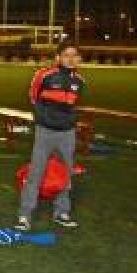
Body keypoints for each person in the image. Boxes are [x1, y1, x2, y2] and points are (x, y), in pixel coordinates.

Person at [15, 43, 86, 232]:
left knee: (66, 172)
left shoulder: (79, 81)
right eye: (66, 55)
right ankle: (25, 215)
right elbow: (33, 97)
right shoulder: (44, 75)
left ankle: (62, 212)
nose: (71, 59)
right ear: (58, 57)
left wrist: (69, 122)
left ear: (79, 58)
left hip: (67, 133)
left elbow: (74, 105)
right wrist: (44, 118)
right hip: (45, 132)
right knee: (36, 172)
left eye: (74, 55)